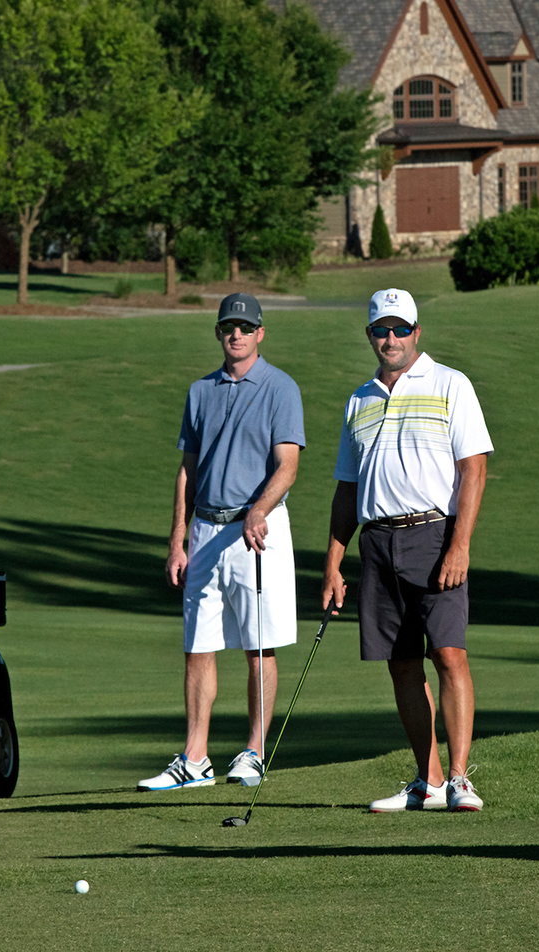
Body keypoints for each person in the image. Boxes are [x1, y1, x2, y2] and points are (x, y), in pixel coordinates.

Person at [322, 288, 493, 813]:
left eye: (400, 329)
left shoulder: (450, 383)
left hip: (435, 535)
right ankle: (429, 781)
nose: (390, 338)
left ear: (417, 332)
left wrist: (460, 544)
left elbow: (474, 468)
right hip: (376, 542)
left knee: (448, 653)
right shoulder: (360, 399)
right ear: (369, 335)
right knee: (400, 664)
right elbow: (348, 489)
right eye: (380, 329)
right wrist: (332, 563)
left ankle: (460, 778)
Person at [140, 293, 304, 792]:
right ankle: (195, 759)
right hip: (206, 530)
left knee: (258, 646)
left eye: (245, 327)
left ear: (260, 334)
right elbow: (188, 470)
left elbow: (288, 464)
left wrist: (258, 510)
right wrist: (177, 538)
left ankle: (253, 751)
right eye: (228, 326)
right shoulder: (200, 391)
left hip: (258, 531)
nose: (236, 334)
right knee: (199, 646)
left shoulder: (280, 388)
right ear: (219, 333)